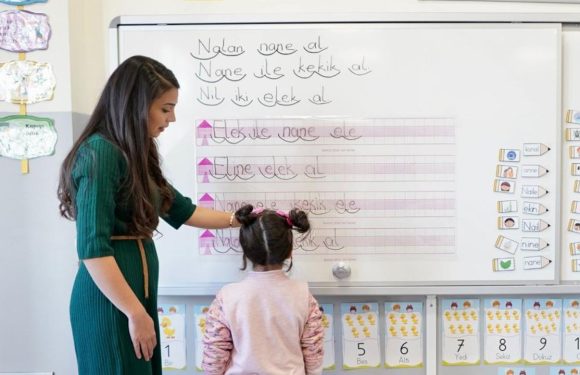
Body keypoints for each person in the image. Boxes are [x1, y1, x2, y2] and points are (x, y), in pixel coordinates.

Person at [57, 55, 239, 374]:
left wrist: (238, 220)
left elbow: (182, 210)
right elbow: (92, 249)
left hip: (133, 304)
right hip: (110, 304)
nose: (171, 118)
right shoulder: (101, 153)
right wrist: (135, 313)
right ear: (135, 104)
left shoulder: (135, 154)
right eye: (165, 108)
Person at [202, 204, 324, 375]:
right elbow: (313, 354)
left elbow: (214, 357)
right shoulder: (304, 296)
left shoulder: (227, 297)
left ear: (245, 250)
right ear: (289, 251)